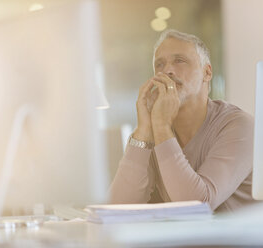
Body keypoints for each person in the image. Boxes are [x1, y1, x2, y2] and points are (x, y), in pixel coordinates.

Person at [109, 29, 255, 212]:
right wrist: (143, 130)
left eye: (180, 61)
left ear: (207, 73)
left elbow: (198, 205)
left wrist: (161, 126)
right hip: (194, 239)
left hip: (250, 239)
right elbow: (117, 209)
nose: (168, 70)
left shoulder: (239, 126)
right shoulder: (154, 134)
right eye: (160, 64)